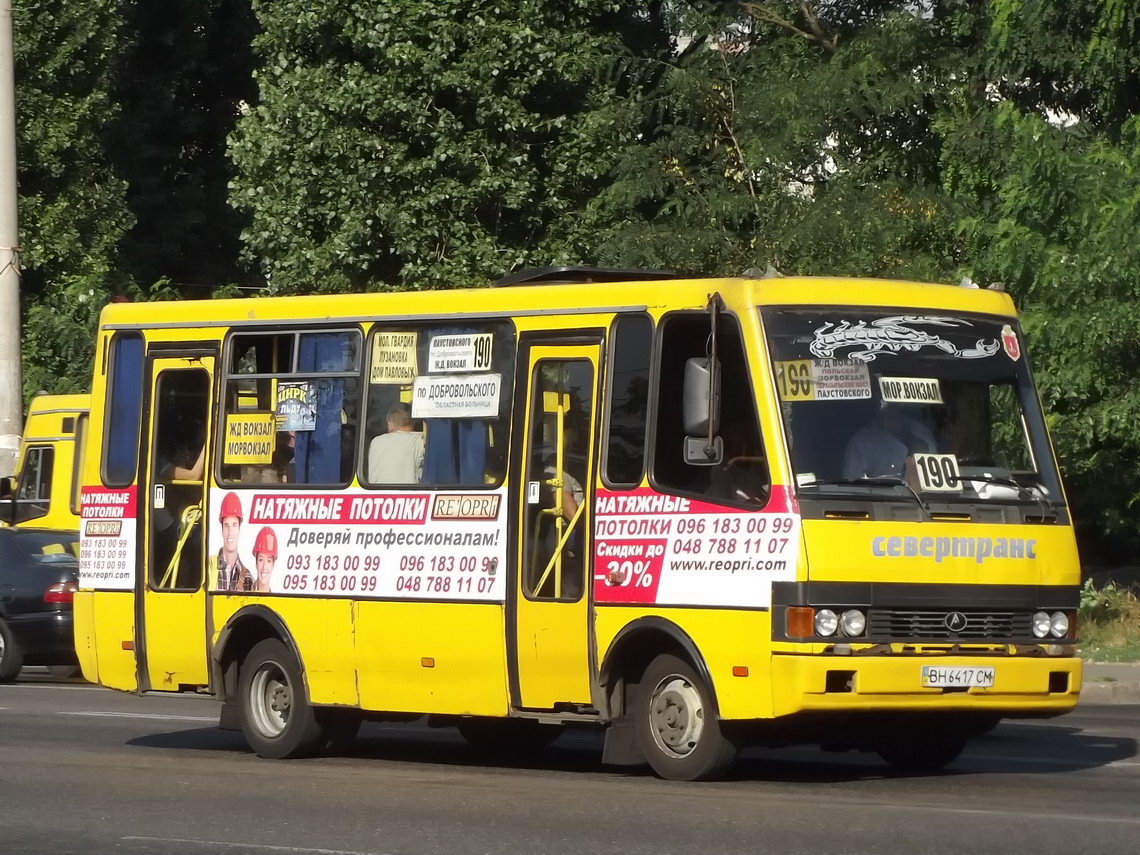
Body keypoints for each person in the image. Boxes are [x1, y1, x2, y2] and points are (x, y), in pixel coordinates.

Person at [843, 404, 936, 480]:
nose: (888, 409)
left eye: (892, 405)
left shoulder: (922, 433)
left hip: (927, 501)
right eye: (882, 405)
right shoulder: (860, 443)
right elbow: (853, 486)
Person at [367, 403, 424, 483]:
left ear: (389, 423)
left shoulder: (375, 442)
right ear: (413, 423)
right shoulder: (420, 439)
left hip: (377, 494)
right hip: (408, 494)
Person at [215, 491, 253, 591]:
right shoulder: (209, 568)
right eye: (226, 525)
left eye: (234, 525)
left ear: (239, 529)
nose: (230, 532)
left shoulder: (247, 578)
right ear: (222, 529)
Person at [252, 526, 278, 593]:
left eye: (269, 561)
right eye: (261, 560)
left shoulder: (275, 602)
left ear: (273, 564)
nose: (264, 567)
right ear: (256, 563)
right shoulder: (243, 597)